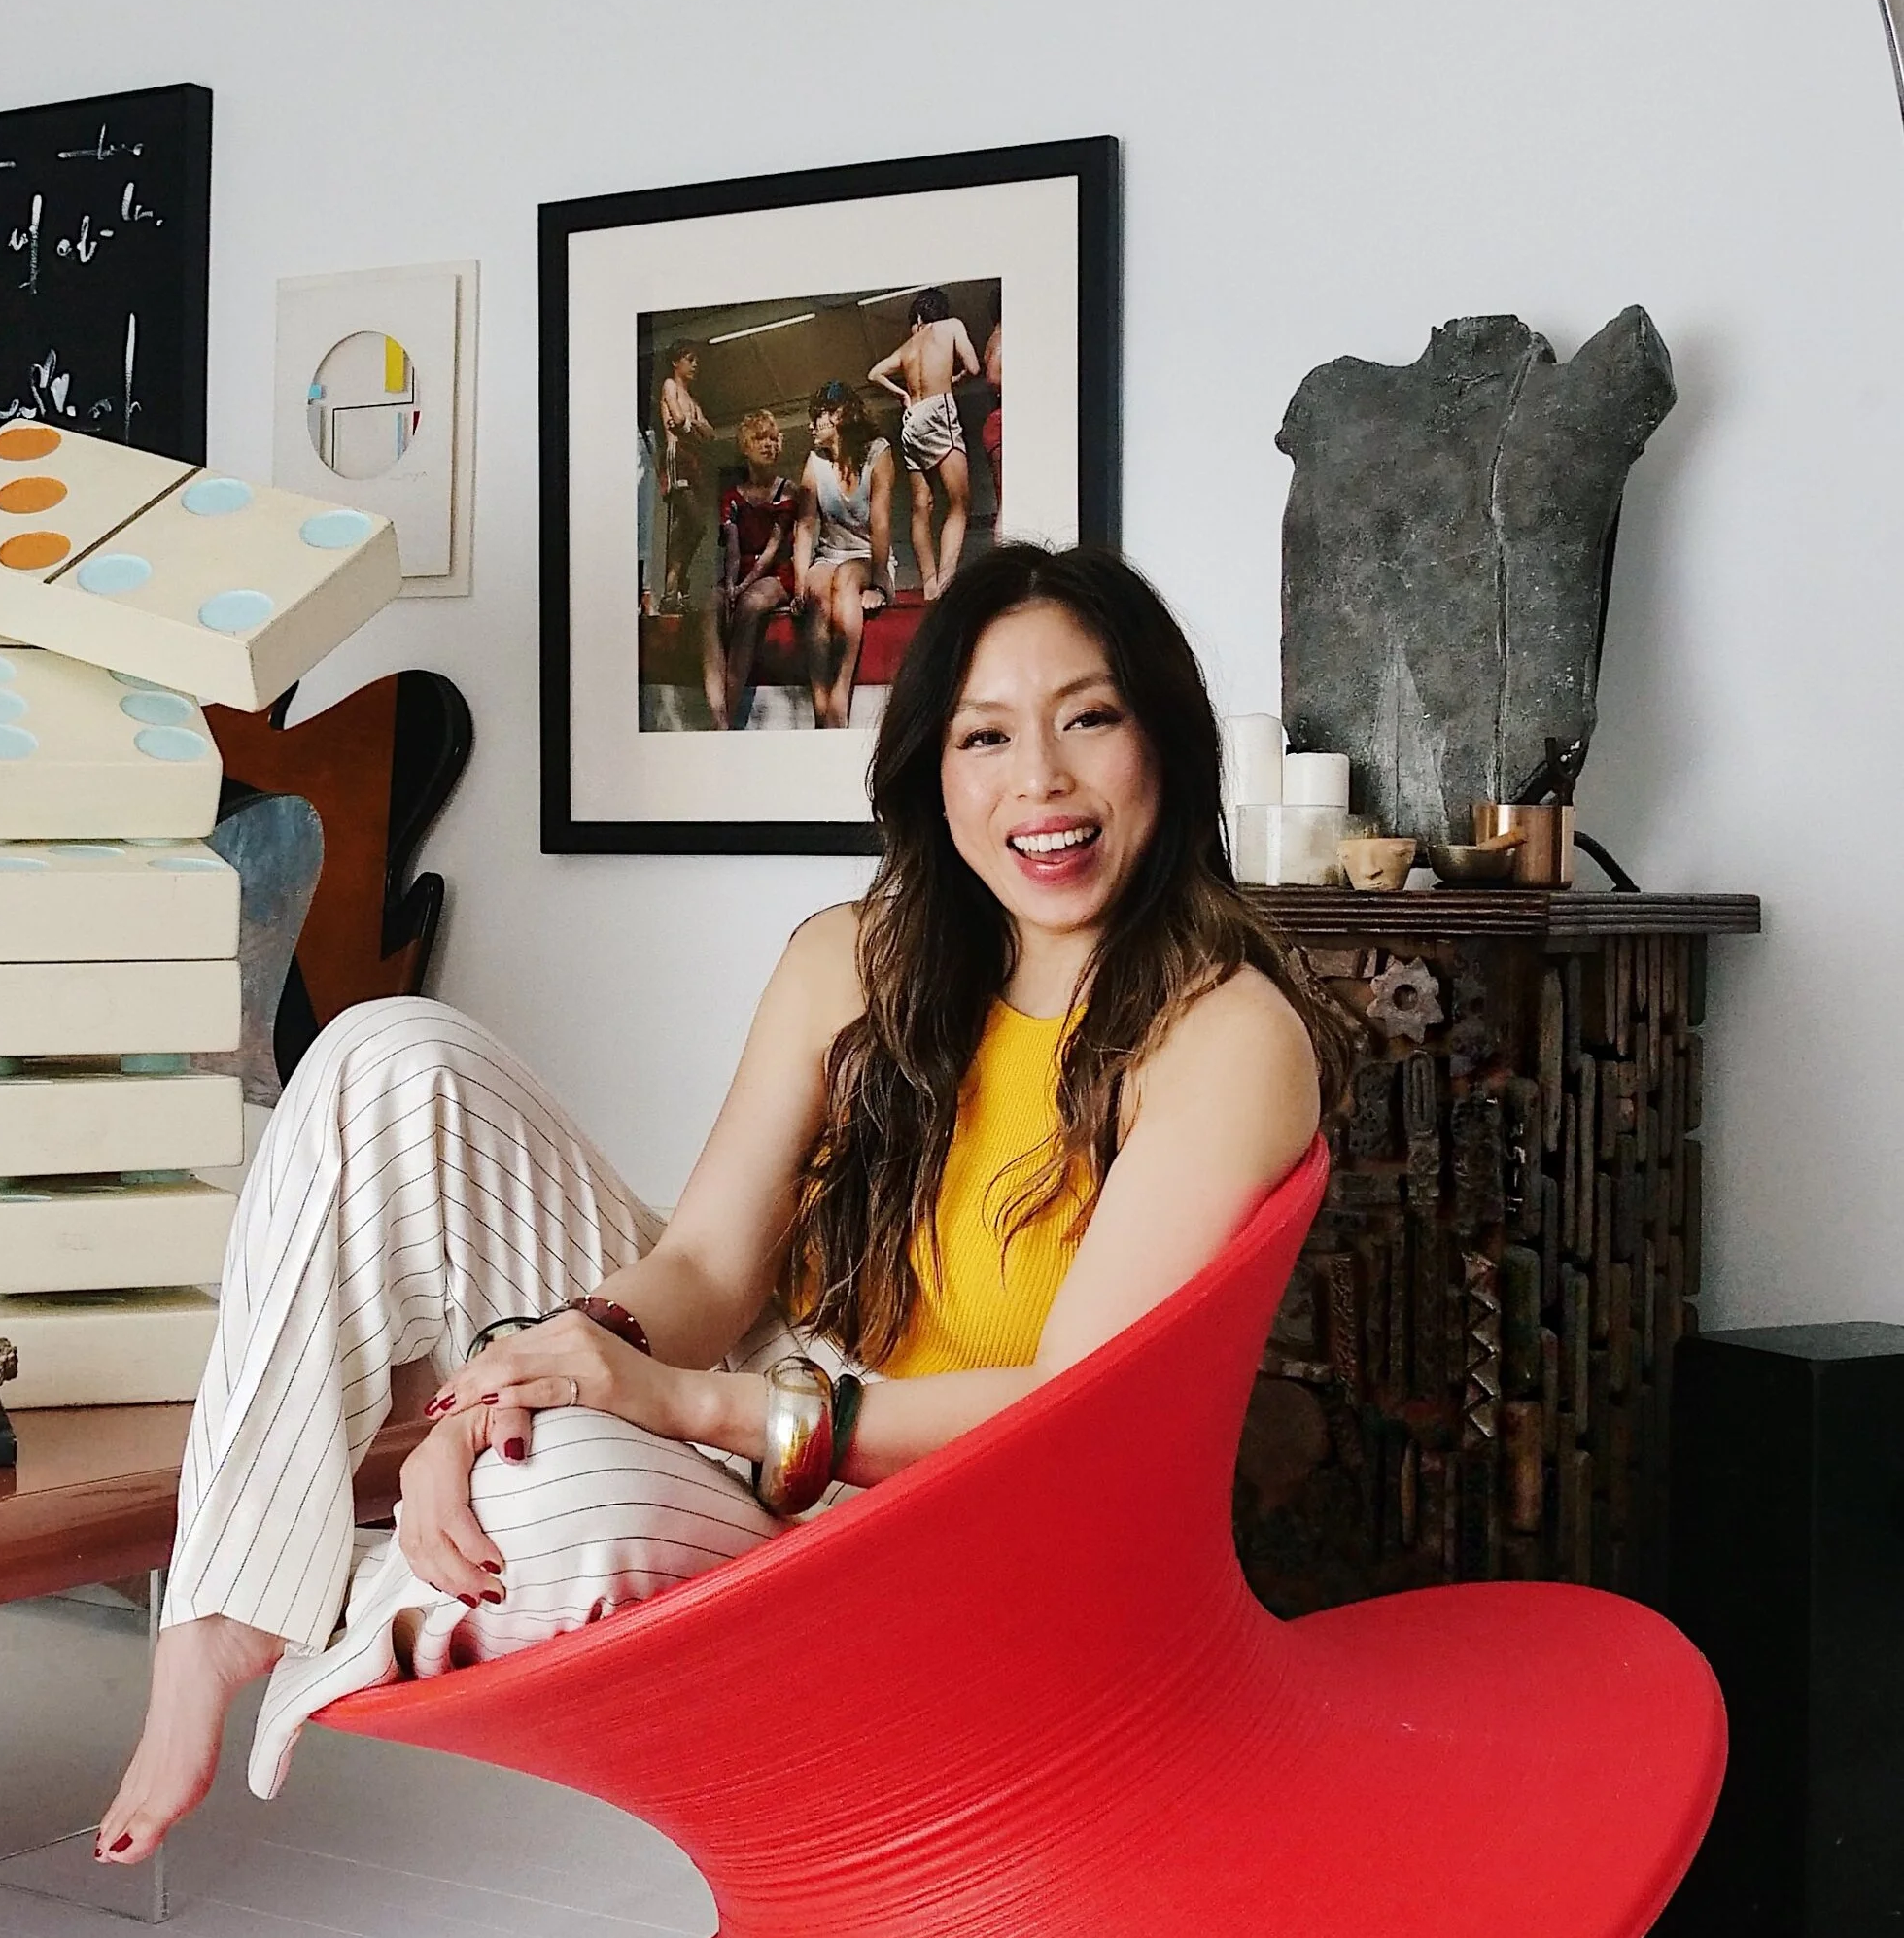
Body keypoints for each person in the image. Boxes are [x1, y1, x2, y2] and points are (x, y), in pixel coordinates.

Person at [96, 540, 1353, 1864]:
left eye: (1088, 719)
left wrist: (692, 1409)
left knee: (539, 1502)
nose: (1040, 781)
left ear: (1165, 739)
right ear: (935, 767)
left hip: (930, 1521)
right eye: (987, 736)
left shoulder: (1224, 1033)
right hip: (769, 1395)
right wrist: (516, 1373)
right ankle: (225, 1605)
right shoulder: (847, 960)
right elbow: (702, 1269)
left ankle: (335, 1591)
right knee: (382, 1060)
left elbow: (1072, 1408)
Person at [792, 378, 894, 730]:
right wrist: (799, 582)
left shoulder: (878, 453)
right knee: (820, 584)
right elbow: (805, 525)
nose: (809, 425)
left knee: (848, 577)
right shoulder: (814, 462)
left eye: (816, 416)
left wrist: (879, 585)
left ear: (838, 416)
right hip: (829, 556)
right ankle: (822, 705)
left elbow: (880, 523)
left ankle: (840, 695)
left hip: (868, 557)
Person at [869, 290, 983, 599]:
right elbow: (973, 368)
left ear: (917, 318)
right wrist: (955, 378)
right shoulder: (951, 326)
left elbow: (874, 373)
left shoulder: (907, 347)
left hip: (912, 420)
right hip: (938, 410)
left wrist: (903, 394)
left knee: (922, 505)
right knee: (959, 503)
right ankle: (946, 581)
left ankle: (929, 584)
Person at [700, 407, 799, 727]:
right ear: (746, 446)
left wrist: (742, 587)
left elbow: (774, 545)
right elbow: (732, 545)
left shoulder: (788, 491)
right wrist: (730, 583)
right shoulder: (733, 495)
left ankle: (727, 714)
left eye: (773, 439)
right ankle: (715, 711)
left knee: (750, 604)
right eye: (761, 439)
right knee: (710, 605)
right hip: (742, 570)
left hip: (776, 573)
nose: (769, 445)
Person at [653, 340, 715, 610]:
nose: (694, 365)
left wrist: (693, 426)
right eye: (689, 359)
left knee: (687, 528)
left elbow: (709, 433)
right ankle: (676, 585)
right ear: (676, 362)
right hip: (677, 458)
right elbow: (677, 423)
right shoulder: (670, 385)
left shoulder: (693, 399)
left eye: (695, 360)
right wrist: (691, 428)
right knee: (694, 523)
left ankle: (673, 589)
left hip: (692, 462)